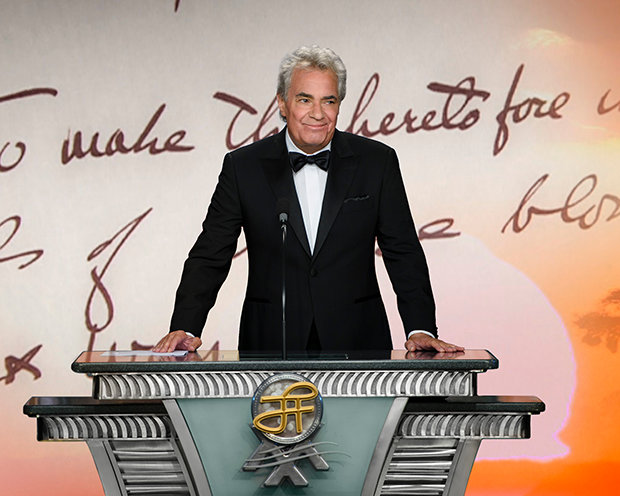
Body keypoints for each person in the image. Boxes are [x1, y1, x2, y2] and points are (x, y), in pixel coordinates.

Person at [153, 45, 462, 354]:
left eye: (329, 101)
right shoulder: (243, 167)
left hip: (358, 341)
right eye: (304, 100)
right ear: (282, 103)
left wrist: (420, 327)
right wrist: (186, 326)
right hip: (270, 343)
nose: (318, 113)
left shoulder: (377, 162)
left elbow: (403, 251)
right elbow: (211, 253)